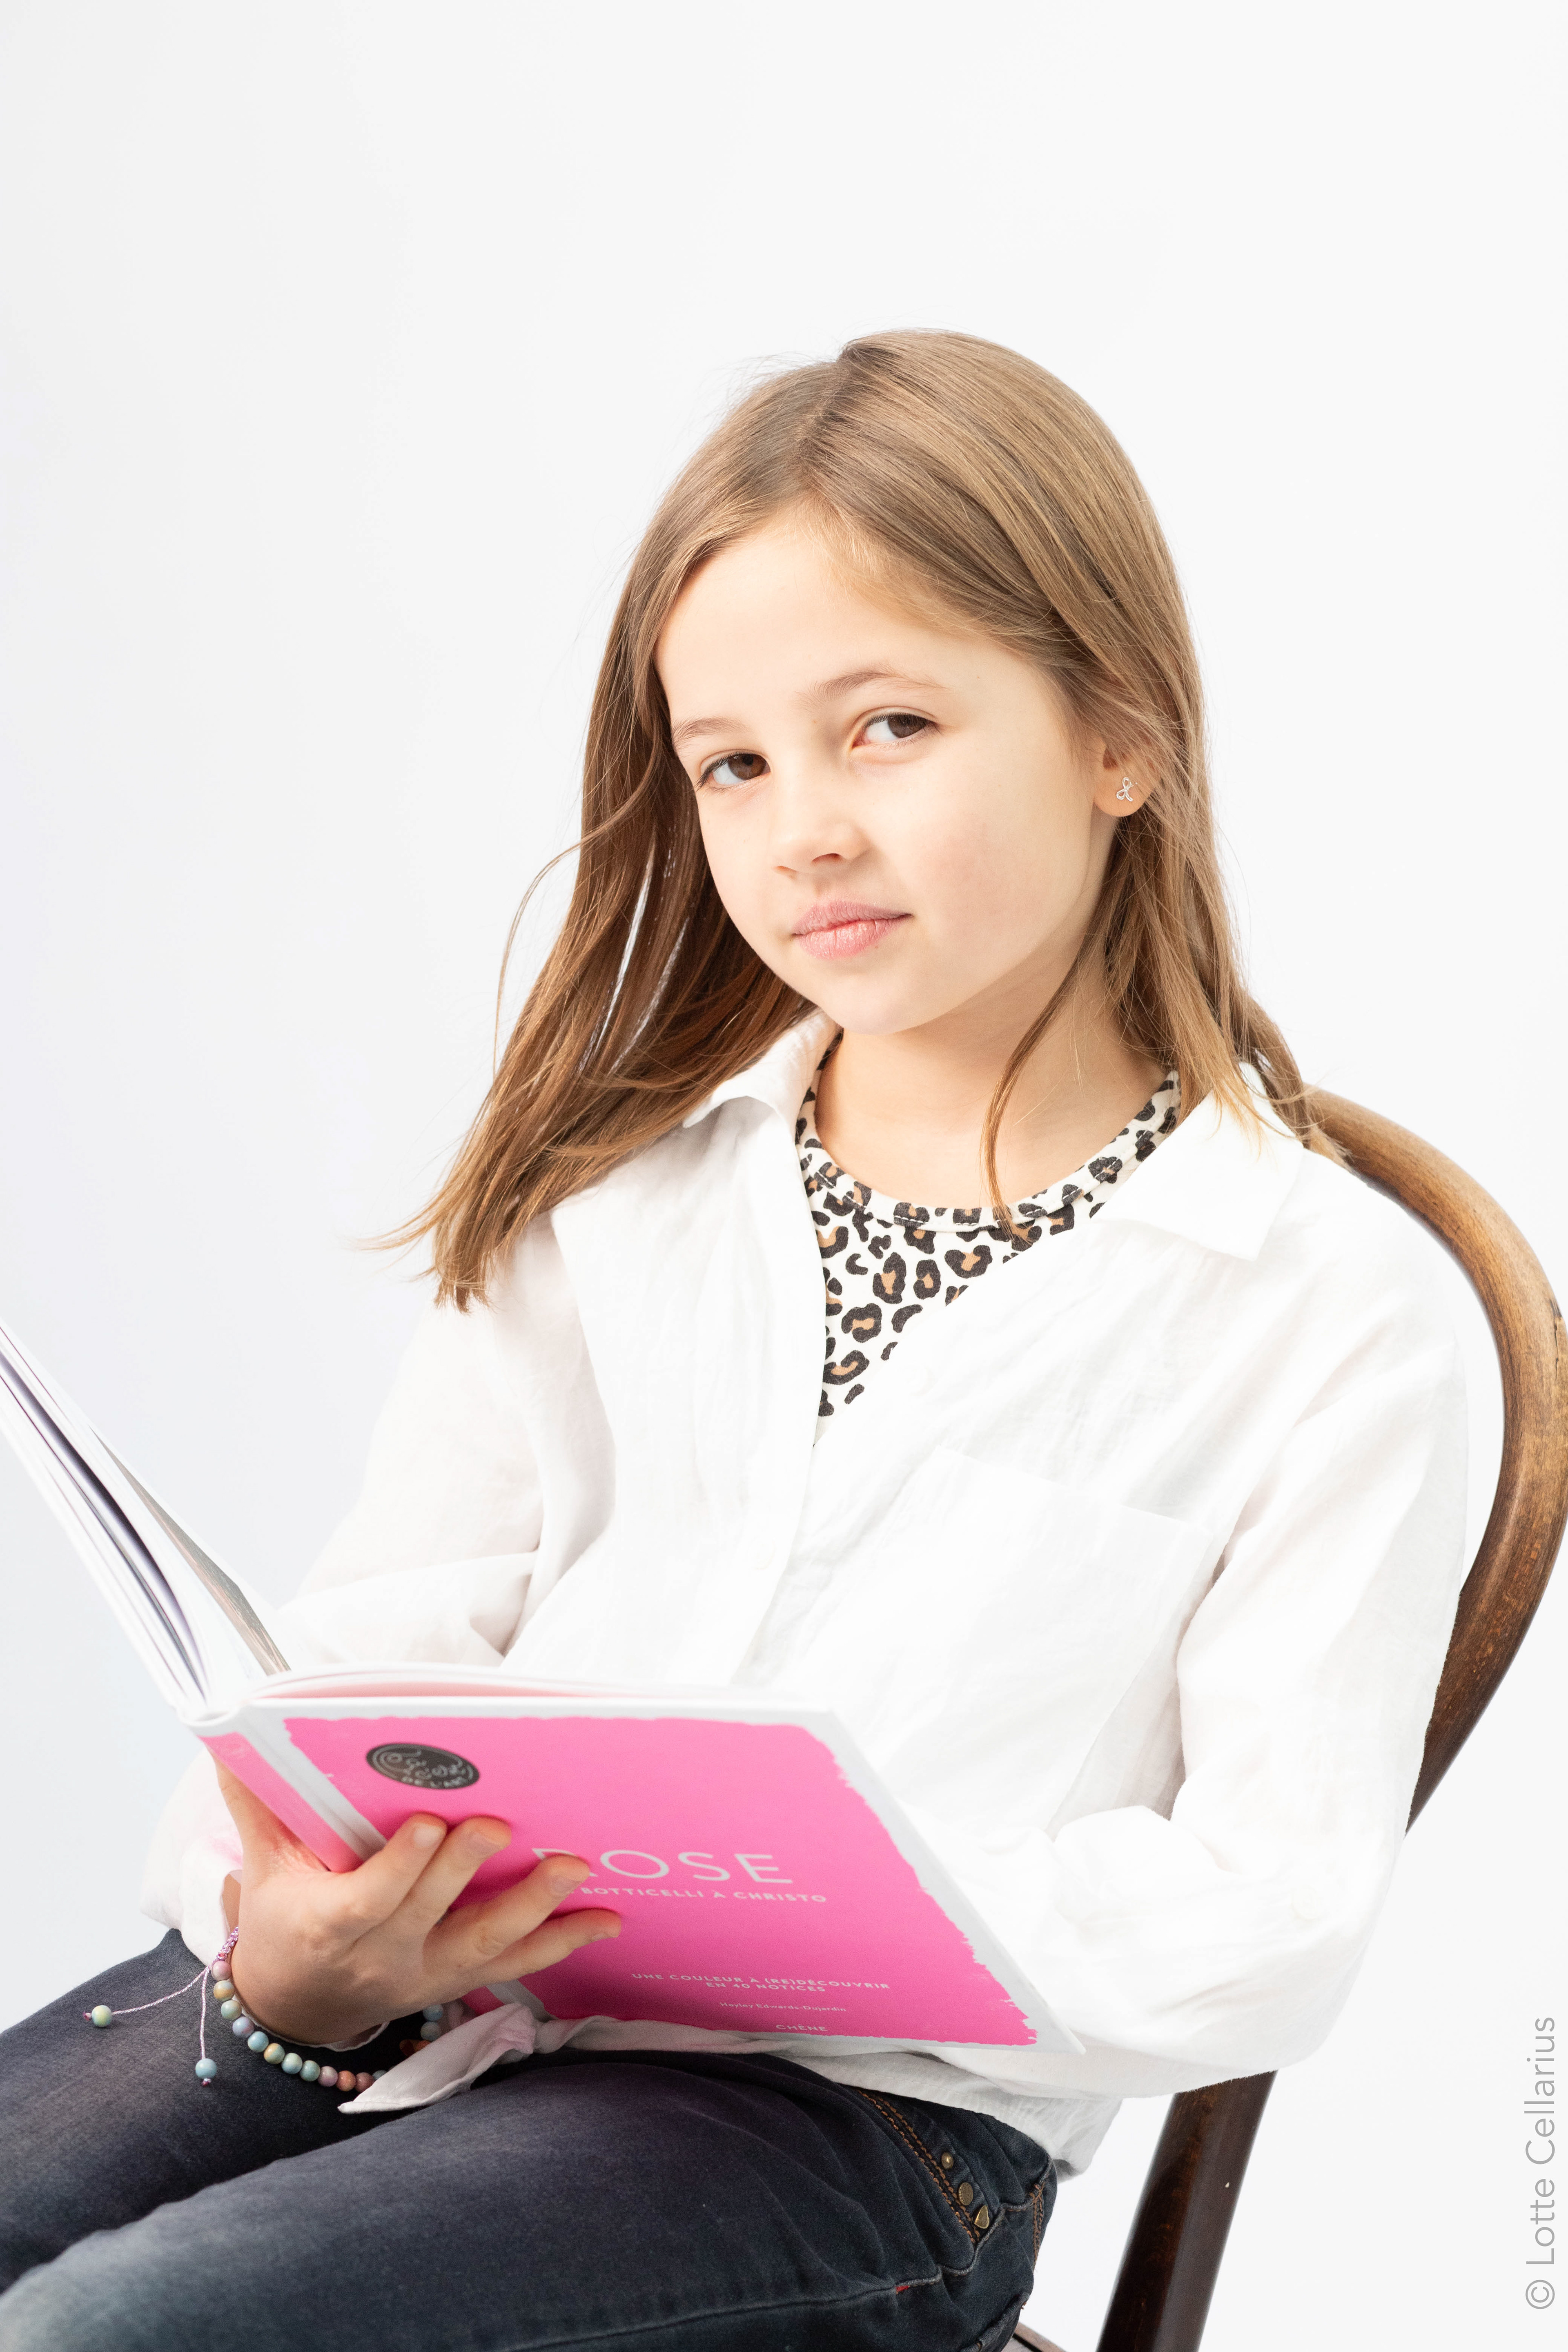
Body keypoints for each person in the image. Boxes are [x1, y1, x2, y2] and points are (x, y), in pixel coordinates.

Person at [0, 332, 1467, 2351]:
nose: (805, 831)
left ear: (1120, 736)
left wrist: (822, 1905)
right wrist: (284, 1929)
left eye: (890, 729)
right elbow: (364, 1650)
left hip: (857, 2130)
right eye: (736, 765)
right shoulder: (616, 1206)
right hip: (431, 2014)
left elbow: (1269, 1911)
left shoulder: (1320, 1308)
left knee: (118, 2327)